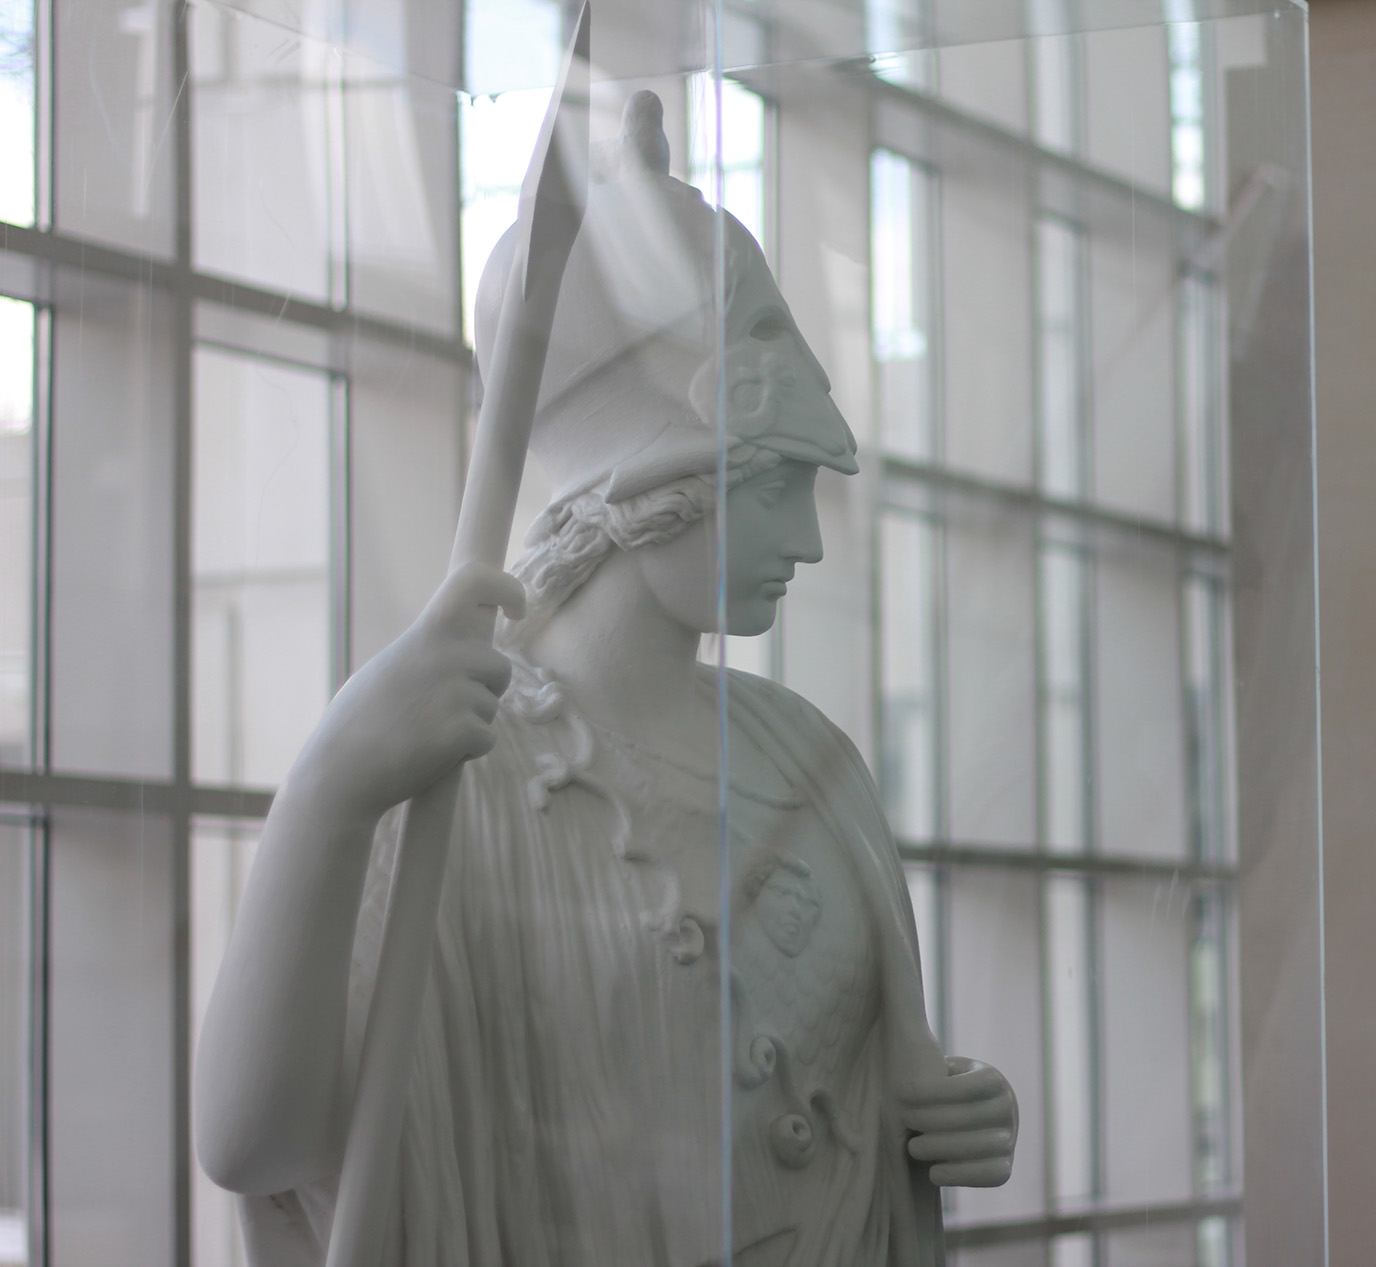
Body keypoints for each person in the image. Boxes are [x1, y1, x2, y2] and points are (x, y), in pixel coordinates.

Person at [194, 92, 1016, 1267]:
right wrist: (327, 792)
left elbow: (848, 1088)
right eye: (773, 485)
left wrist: (942, 1111)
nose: (807, 539)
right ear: (659, 484)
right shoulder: (455, 771)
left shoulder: (810, 757)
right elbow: (255, 1141)